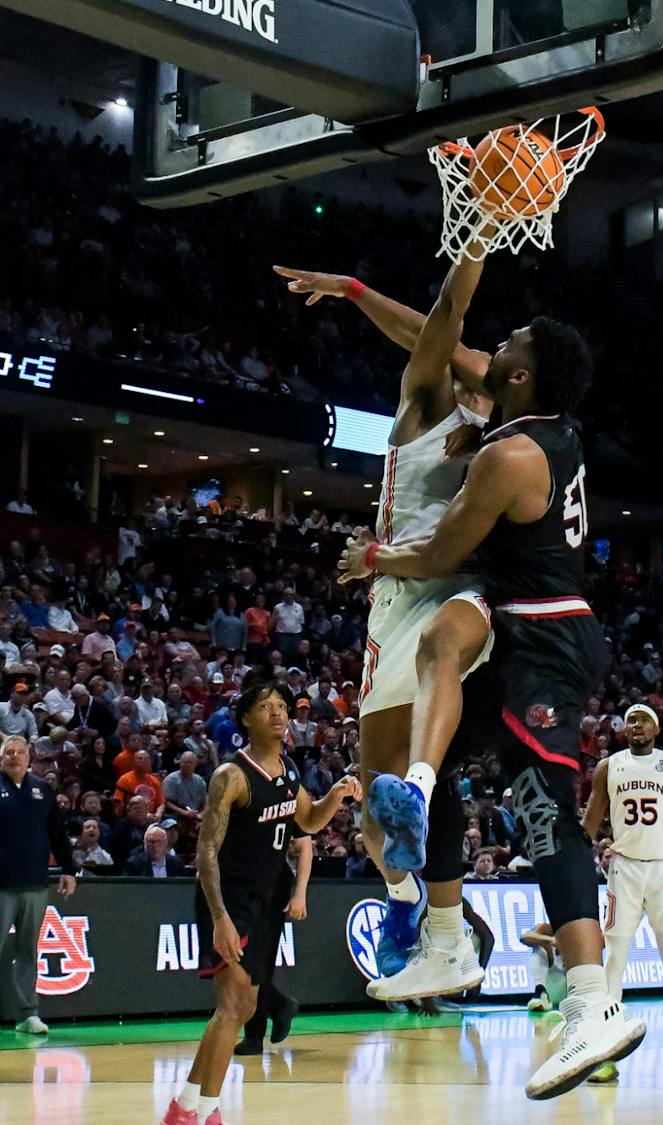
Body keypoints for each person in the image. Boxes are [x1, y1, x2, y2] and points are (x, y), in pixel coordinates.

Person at [339, 299, 642, 1100]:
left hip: (545, 638)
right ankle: (446, 936)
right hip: (515, 630)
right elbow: (441, 340)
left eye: (506, 346)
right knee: (418, 756)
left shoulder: (510, 457)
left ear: (518, 376)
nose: (490, 349)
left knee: (544, 808)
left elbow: (441, 550)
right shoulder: (542, 418)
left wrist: (374, 555)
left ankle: (590, 1000)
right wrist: (358, 294)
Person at [274, 260, 494, 978]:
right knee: (374, 802)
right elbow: (445, 312)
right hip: (394, 602)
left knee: (448, 663)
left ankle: (445, 904)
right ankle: (404, 894)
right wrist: (475, 240)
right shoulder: (427, 403)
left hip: (460, 593)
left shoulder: (508, 439)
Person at [162, 677, 362, 1125]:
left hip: (266, 898)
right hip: (228, 900)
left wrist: (336, 795)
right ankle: (207, 1111)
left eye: (282, 707)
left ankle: (184, 1106)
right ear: (246, 719)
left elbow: (307, 821)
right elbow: (205, 853)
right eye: (266, 706)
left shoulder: (289, 772)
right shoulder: (231, 776)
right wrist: (219, 918)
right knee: (232, 1006)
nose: (278, 713)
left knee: (246, 1007)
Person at [581, 703, 663, 1083]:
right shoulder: (609, 767)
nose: (635, 725)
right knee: (614, 959)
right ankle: (607, 1048)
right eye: (630, 720)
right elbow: (590, 823)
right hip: (624, 868)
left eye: (643, 720)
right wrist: (572, 859)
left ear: (656, 729)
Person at [0, 734, 77, 1037]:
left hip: (36, 884)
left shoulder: (43, 789)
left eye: (20, 752)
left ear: (30, 757)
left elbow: (58, 833)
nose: (14, 757)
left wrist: (69, 869)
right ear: (0, 759)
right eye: (8, 752)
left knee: (29, 949)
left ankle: (28, 1012)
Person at [236, 836, 313, 1056]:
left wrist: (300, 893)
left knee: (258, 961)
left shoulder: (290, 801)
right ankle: (279, 1004)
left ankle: (254, 1035)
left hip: (271, 883)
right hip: (238, 880)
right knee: (239, 960)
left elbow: (305, 844)